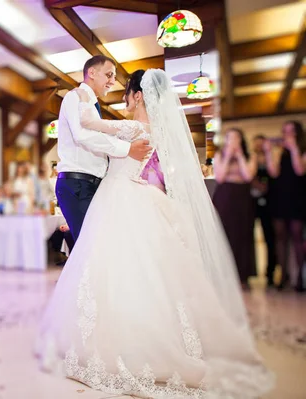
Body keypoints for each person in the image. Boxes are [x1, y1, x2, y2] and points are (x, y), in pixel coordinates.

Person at [36, 69, 274, 398]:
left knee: (108, 268)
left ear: (137, 96)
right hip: (132, 193)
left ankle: (118, 339)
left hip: (118, 195)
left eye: (128, 93)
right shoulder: (155, 131)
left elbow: (91, 126)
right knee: (138, 271)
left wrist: (78, 98)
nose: (122, 96)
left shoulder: (134, 126)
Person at [55, 55, 151, 242]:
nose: (113, 82)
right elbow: (82, 135)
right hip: (78, 183)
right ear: (92, 72)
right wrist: (127, 149)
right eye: (109, 75)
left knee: (98, 246)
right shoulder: (74, 97)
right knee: (88, 246)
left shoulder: (92, 104)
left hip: (92, 185)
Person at [212, 128, 257, 288]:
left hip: (242, 197)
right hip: (225, 197)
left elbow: (248, 176)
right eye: (230, 138)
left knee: (243, 234)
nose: (233, 141)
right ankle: (224, 274)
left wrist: (239, 156)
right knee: (224, 234)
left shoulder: (249, 156)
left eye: (236, 137)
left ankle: (242, 276)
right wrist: (229, 156)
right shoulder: (220, 155)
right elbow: (220, 176)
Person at [265, 121, 306, 292]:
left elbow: (300, 170)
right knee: (280, 236)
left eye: (291, 131)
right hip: (279, 196)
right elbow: (273, 172)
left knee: (297, 235)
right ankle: (283, 275)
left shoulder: (302, 150)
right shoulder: (279, 150)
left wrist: (294, 148)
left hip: (298, 196)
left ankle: (300, 277)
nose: (288, 135)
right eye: (285, 131)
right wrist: (269, 152)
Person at [251, 135, 277, 287]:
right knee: (247, 236)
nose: (259, 147)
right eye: (257, 144)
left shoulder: (271, 159)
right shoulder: (251, 158)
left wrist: (268, 154)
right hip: (251, 200)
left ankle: (270, 272)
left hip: (270, 201)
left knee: (270, 237)